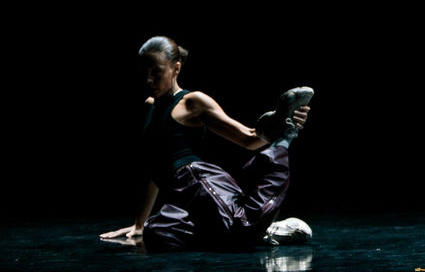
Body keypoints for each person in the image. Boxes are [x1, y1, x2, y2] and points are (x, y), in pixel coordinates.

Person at [100, 36, 314, 252]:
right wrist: (139, 225)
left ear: (176, 68)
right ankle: (259, 233)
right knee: (157, 232)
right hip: (179, 199)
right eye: (144, 72)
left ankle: (285, 136)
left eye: (156, 72)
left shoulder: (192, 102)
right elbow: (154, 168)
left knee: (241, 228)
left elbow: (249, 138)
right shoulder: (150, 106)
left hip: (198, 184)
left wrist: (282, 123)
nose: (148, 80)